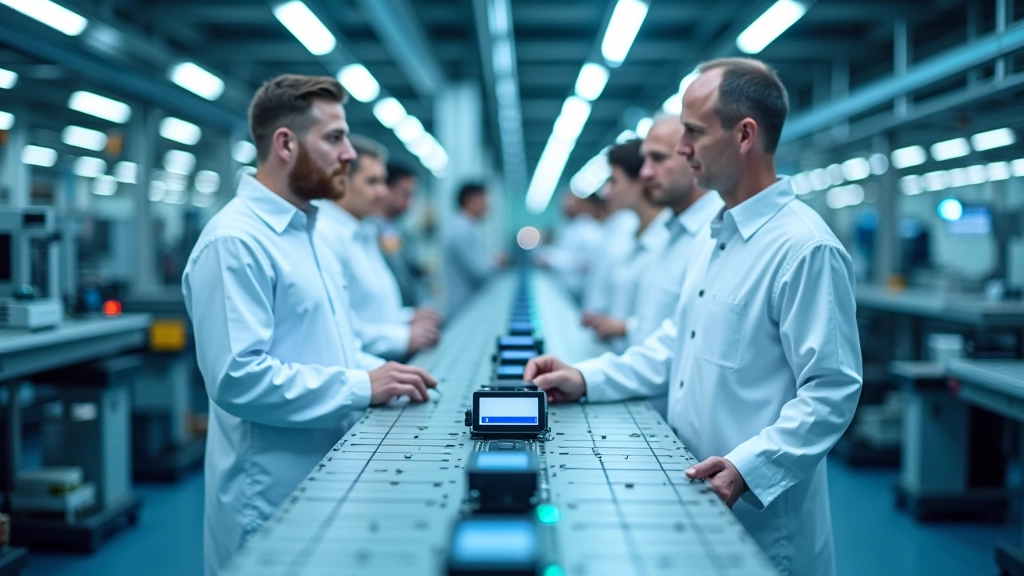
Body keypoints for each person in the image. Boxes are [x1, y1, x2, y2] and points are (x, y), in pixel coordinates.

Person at [524, 58, 862, 576]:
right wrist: (585, 376)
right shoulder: (719, 237)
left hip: (761, 520)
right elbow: (674, 345)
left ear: (745, 134)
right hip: (692, 492)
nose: (682, 149)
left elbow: (832, 390)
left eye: (695, 132)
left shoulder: (803, 247)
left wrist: (749, 468)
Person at [182, 74, 438, 576]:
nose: (348, 154)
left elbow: (331, 346)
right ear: (285, 144)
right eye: (334, 138)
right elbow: (238, 378)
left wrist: (387, 374)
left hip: (330, 471)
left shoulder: (311, 233)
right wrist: (363, 384)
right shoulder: (234, 242)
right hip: (270, 495)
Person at [315, 136, 441, 360]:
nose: (383, 192)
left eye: (383, 182)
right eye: (372, 182)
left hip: (381, 364)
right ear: (340, 181)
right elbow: (335, 328)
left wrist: (406, 319)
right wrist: (402, 337)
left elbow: (368, 309)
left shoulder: (364, 232)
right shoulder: (323, 237)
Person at [580, 139, 670, 352]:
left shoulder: (667, 239)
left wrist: (624, 327)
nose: (606, 192)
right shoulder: (628, 236)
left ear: (640, 181)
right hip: (620, 357)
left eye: (614, 181)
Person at [442, 182, 506, 318]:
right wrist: (497, 261)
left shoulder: (467, 228)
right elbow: (480, 271)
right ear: (469, 200)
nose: (488, 206)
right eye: (484, 200)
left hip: (467, 305)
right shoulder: (460, 231)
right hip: (463, 308)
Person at [534, 192, 604, 303]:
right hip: (564, 291)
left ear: (582, 203)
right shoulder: (570, 228)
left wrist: (552, 260)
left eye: (570, 201)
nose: (565, 204)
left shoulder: (589, 230)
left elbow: (588, 263)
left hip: (579, 294)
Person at [379, 163, 428, 307]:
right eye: (406, 194)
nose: (409, 203)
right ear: (386, 189)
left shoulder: (396, 230)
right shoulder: (369, 230)